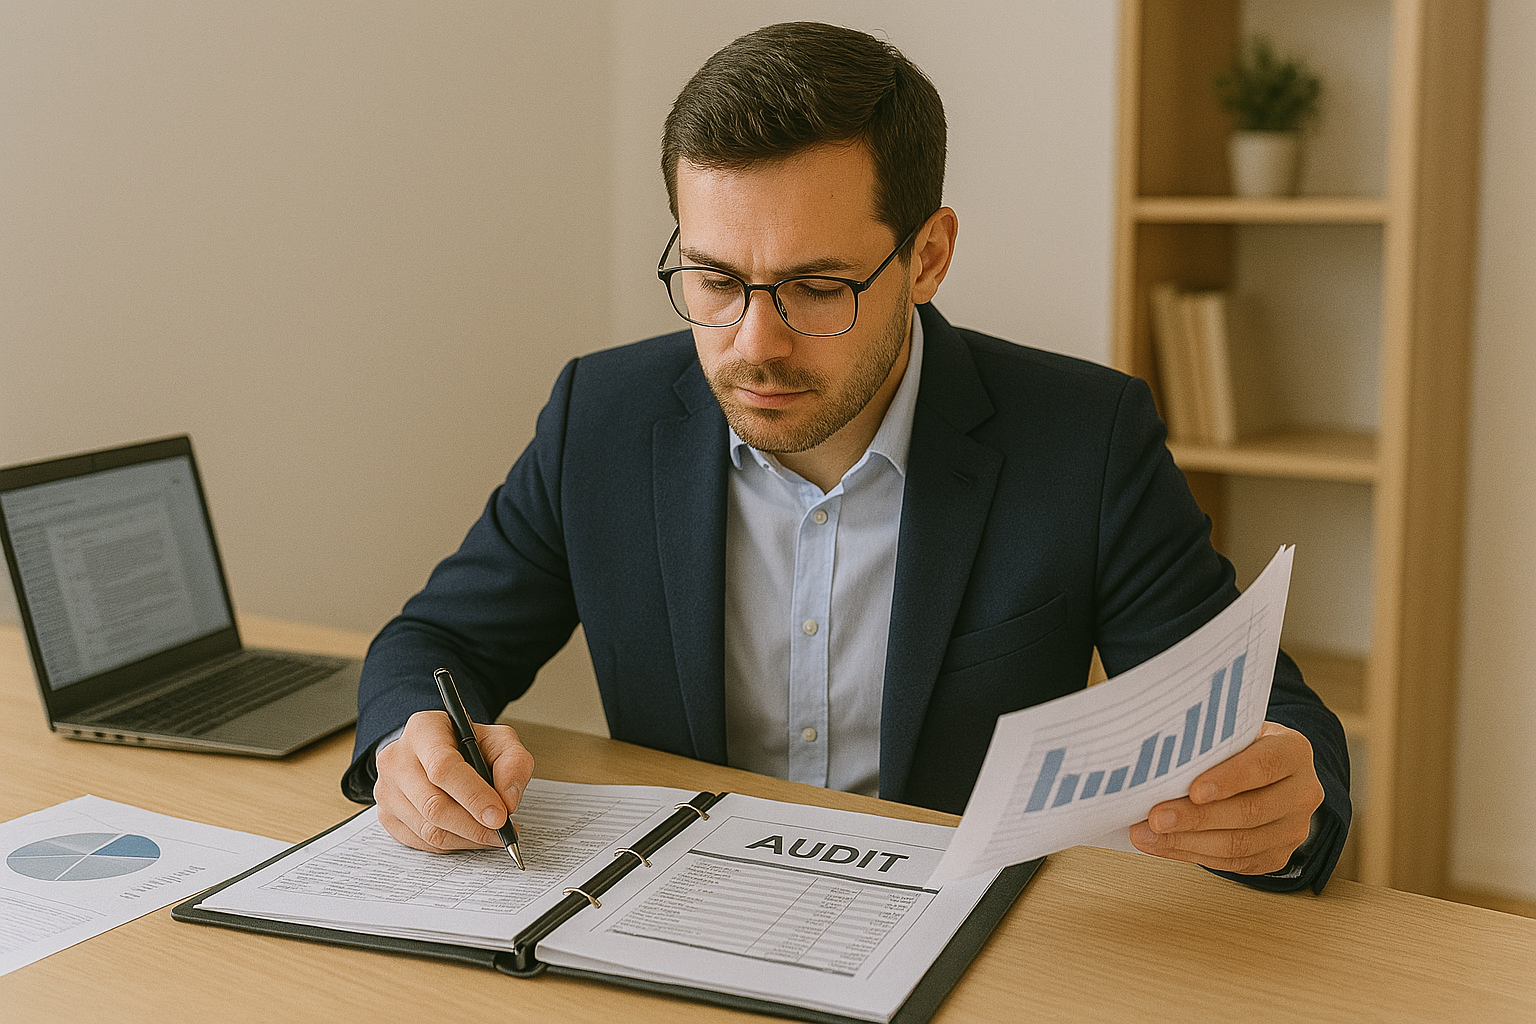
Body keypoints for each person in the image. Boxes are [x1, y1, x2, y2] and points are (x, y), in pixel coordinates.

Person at [345, 21, 1349, 892]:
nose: (754, 342)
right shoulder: (600, 417)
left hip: (963, 937)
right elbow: (436, 642)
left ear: (927, 257)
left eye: (817, 285)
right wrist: (410, 740)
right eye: (713, 278)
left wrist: (1284, 791)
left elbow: (1259, 713)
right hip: (677, 916)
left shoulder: (1085, 438)